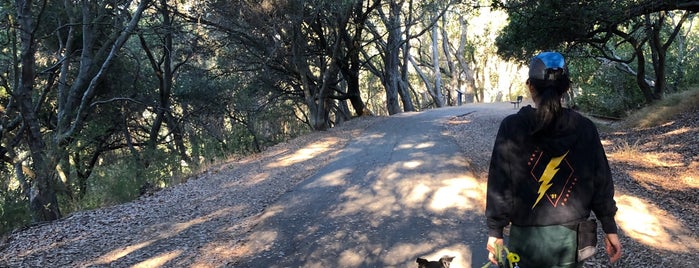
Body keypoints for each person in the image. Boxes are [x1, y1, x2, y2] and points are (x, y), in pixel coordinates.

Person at [484, 52, 622, 267]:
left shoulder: (512, 127)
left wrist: (496, 231)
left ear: (530, 86)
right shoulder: (585, 129)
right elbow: (601, 181)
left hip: (526, 240)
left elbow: (500, 183)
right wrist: (609, 227)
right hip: (573, 241)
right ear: (566, 88)